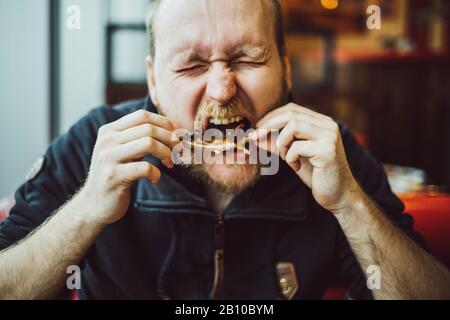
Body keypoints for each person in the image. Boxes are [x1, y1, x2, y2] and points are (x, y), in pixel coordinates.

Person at [1, 0, 449, 300]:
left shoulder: (334, 154)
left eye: (247, 59)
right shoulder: (91, 147)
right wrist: (85, 212)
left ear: (285, 68)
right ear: (154, 79)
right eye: (192, 65)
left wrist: (349, 204)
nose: (221, 89)